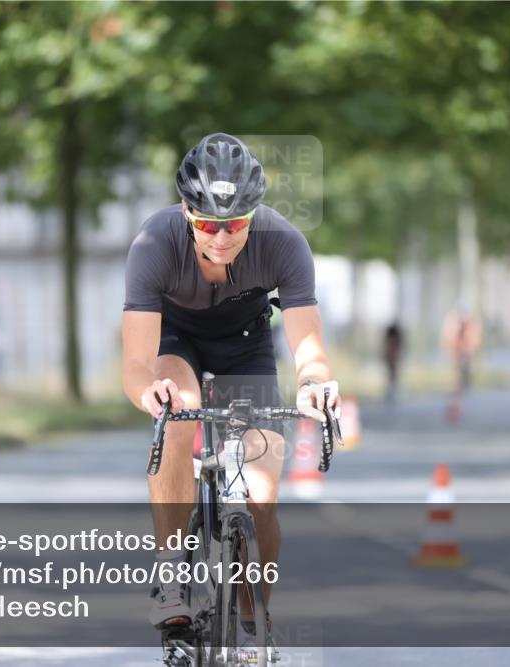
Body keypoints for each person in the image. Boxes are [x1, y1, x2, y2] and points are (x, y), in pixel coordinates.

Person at [121, 133, 340, 638]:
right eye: (208, 225)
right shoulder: (153, 244)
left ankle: (253, 608)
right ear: (185, 211)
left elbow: (310, 349)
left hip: (246, 347)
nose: (221, 238)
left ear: (254, 214)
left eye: (236, 224)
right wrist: (148, 393)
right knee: (180, 414)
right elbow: (135, 361)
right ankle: (172, 570)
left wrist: (315, 384)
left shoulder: (284, 243)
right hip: (176, 343)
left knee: (262, 493)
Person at [441, 306, 481, 395]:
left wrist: (471, 346)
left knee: (465, 366)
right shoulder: (453, 323)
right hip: (457, 348)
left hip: (464, 348)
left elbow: (473, 337)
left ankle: (465, 383)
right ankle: (458, 384)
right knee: (458, 367)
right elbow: (449, 336)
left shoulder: (469, 324)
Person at [383, 321, 404, 402]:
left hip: (393, 357)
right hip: (391, 357)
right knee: (391, 374)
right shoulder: (392, 343)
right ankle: (391, 392)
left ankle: (393, 391)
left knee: (393, 374)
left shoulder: (394, 343)